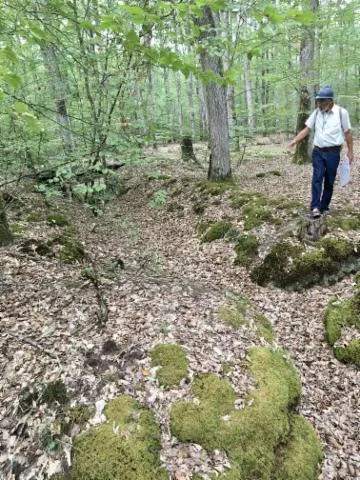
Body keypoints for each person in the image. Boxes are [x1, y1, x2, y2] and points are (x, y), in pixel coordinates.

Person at [288, 86, 354, 218]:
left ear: (330, 101)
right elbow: (307, 129)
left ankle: (324, 206)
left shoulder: (342, 113)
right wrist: (295, 140)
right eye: (318, 101)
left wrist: (350, 152)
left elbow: (347, 133)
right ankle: (315, 207)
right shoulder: (317, 112)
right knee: (317, 178)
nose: (319, 103)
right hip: (318, 151)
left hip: (333, 153)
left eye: (321, 101)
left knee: (329, 180)